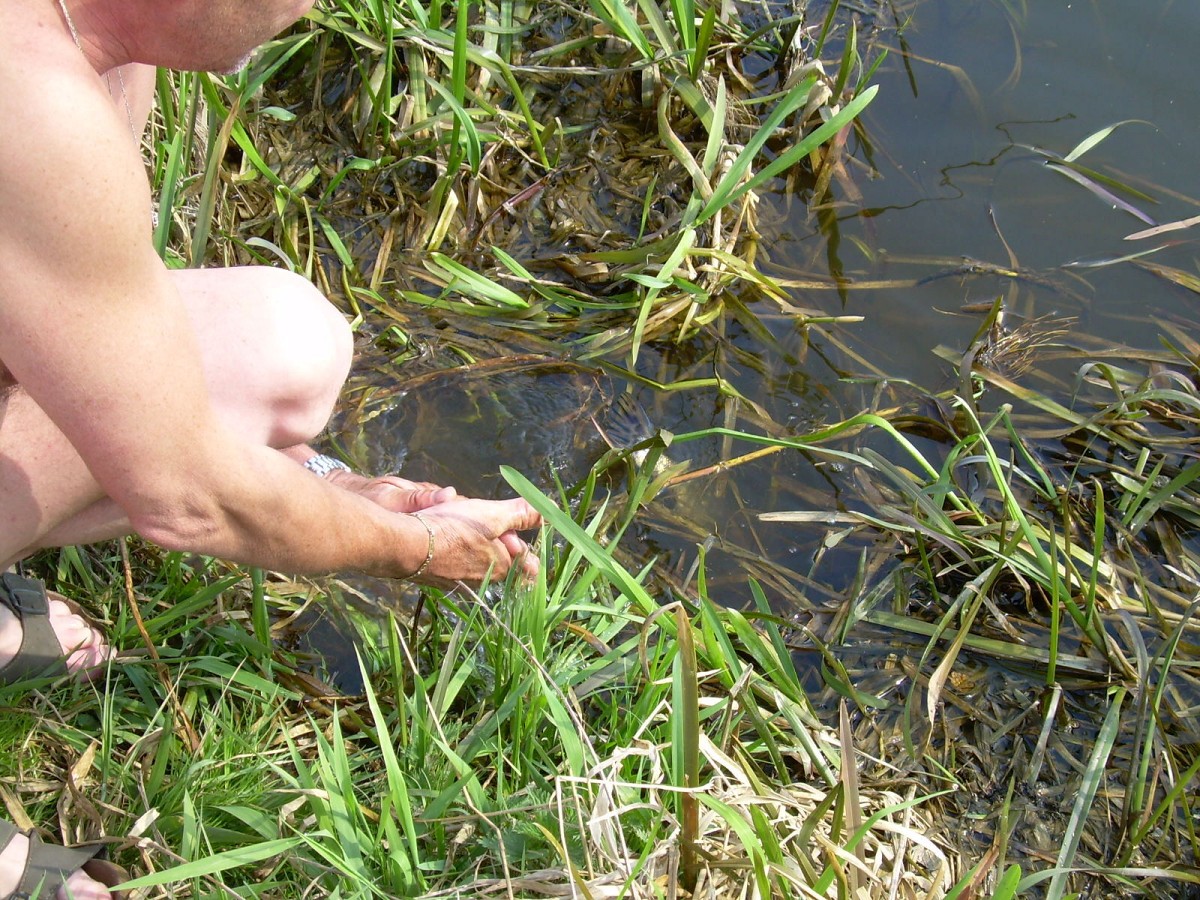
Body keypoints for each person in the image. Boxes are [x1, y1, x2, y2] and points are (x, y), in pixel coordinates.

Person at [0, 0, 544, 894]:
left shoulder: (94, 40)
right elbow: (189, 496)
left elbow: (103, 370)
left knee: (280, 346)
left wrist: (336, 486)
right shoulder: (28, 102)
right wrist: (415, 549)